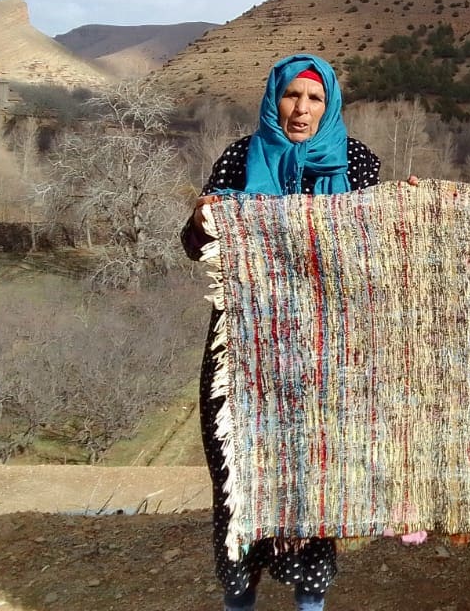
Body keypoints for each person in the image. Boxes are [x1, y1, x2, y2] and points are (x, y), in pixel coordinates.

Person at [181, 54, 393, 611]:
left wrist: (403, 211)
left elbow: (379, 248)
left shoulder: (358, 164)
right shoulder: (238, 158)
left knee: (312, 469)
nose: (301, 110)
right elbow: (197, 245)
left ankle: (309, 600)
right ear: (274, 99)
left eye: (314, 98)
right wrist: (202, 219)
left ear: (331, 105)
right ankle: (239, 598)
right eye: (291, 96)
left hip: (324, 349)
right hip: (243, 350)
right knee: (238, 473)